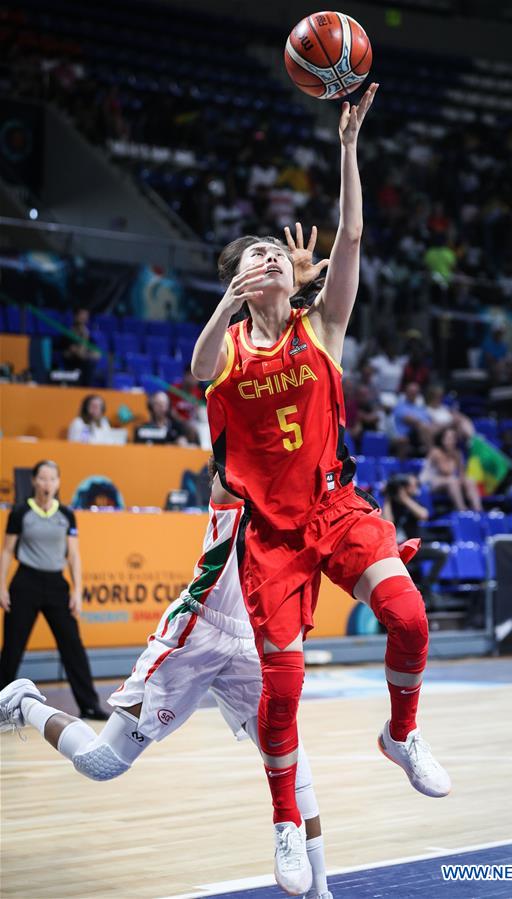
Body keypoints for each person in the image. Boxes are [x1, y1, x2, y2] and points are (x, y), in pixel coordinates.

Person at [192, 83, 450, 895]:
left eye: (277, 252)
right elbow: (197, 368)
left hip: (336, 507)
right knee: (283, 689)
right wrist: (226, 302)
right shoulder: (227, 349)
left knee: (409, 616)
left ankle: (400, 733)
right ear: (236, 280)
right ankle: (283, 822)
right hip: (268, 535)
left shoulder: (321, 327)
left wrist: (347, 144)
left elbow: (354, 236)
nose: (272, 256)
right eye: (255, 255)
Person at [0, 470, 333, 899]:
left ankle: (320, 892)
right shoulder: (232, 486)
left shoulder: (300, 500)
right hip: (197, 634)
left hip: (250, 641)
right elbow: (231, 468)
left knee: (294, 766)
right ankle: (24, 700)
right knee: (101, 763)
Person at [0, 461, 107, 720]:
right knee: (12, 648)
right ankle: (2, 706)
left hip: (56, 585)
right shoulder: (21, 512)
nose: (47, 484)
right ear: (34, 481)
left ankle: (89, 705)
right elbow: (7, 551)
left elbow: (74, 555)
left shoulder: (66, 514)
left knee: (73, 646)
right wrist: (1, 586)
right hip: (25, 582)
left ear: (58, 483)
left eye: (52, 479)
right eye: (42, 478)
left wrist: (77, 591)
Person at [382, 474, 449, 609]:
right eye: (412, 485)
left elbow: (424, 515)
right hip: (394, 551)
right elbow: (388, 523)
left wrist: (405, 499)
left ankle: (427, 585)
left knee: (442, 554)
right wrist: (388, 498)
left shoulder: (412, 502)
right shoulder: (390, 504)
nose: (415, 487)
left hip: (413, 547)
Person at [421, 427, 482, 512]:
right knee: (452, 481)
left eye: (454, 438)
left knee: (469, 481)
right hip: (430, 482)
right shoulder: (436, 452)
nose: (452, 441)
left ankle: (478, 510)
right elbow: (445, 471)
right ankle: (462, 510)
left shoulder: (457, 453)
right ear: (442, 440)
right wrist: (453, 456)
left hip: (448, 480)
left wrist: (463, 480)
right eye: (449, 438)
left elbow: (462, 474)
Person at [60, 308, 101, 386]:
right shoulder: (67, 335)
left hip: (84, 368)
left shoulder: (90, 337)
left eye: (86, 316)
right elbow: (80, 354)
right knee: (88, 364)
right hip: (71, 366)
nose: (84, 318)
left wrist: (86, 354)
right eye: (82, 315)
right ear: (75, 317)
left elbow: (97, 355)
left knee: (91, 364)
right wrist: (84, 337)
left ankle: (87, 389)